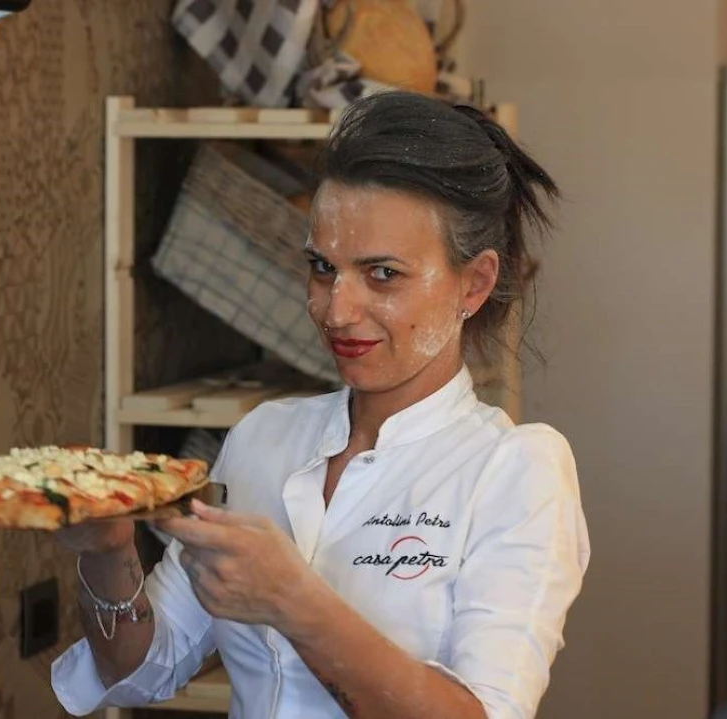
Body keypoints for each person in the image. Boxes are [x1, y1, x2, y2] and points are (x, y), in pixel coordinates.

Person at [50, 90, 591, 719]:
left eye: (383, 274)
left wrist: (295, 603)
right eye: (322, 267)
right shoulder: (263, 439)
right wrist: (108, 549)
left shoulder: (516, 469)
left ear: (474, 284)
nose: (336, 310)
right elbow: (141, 669)